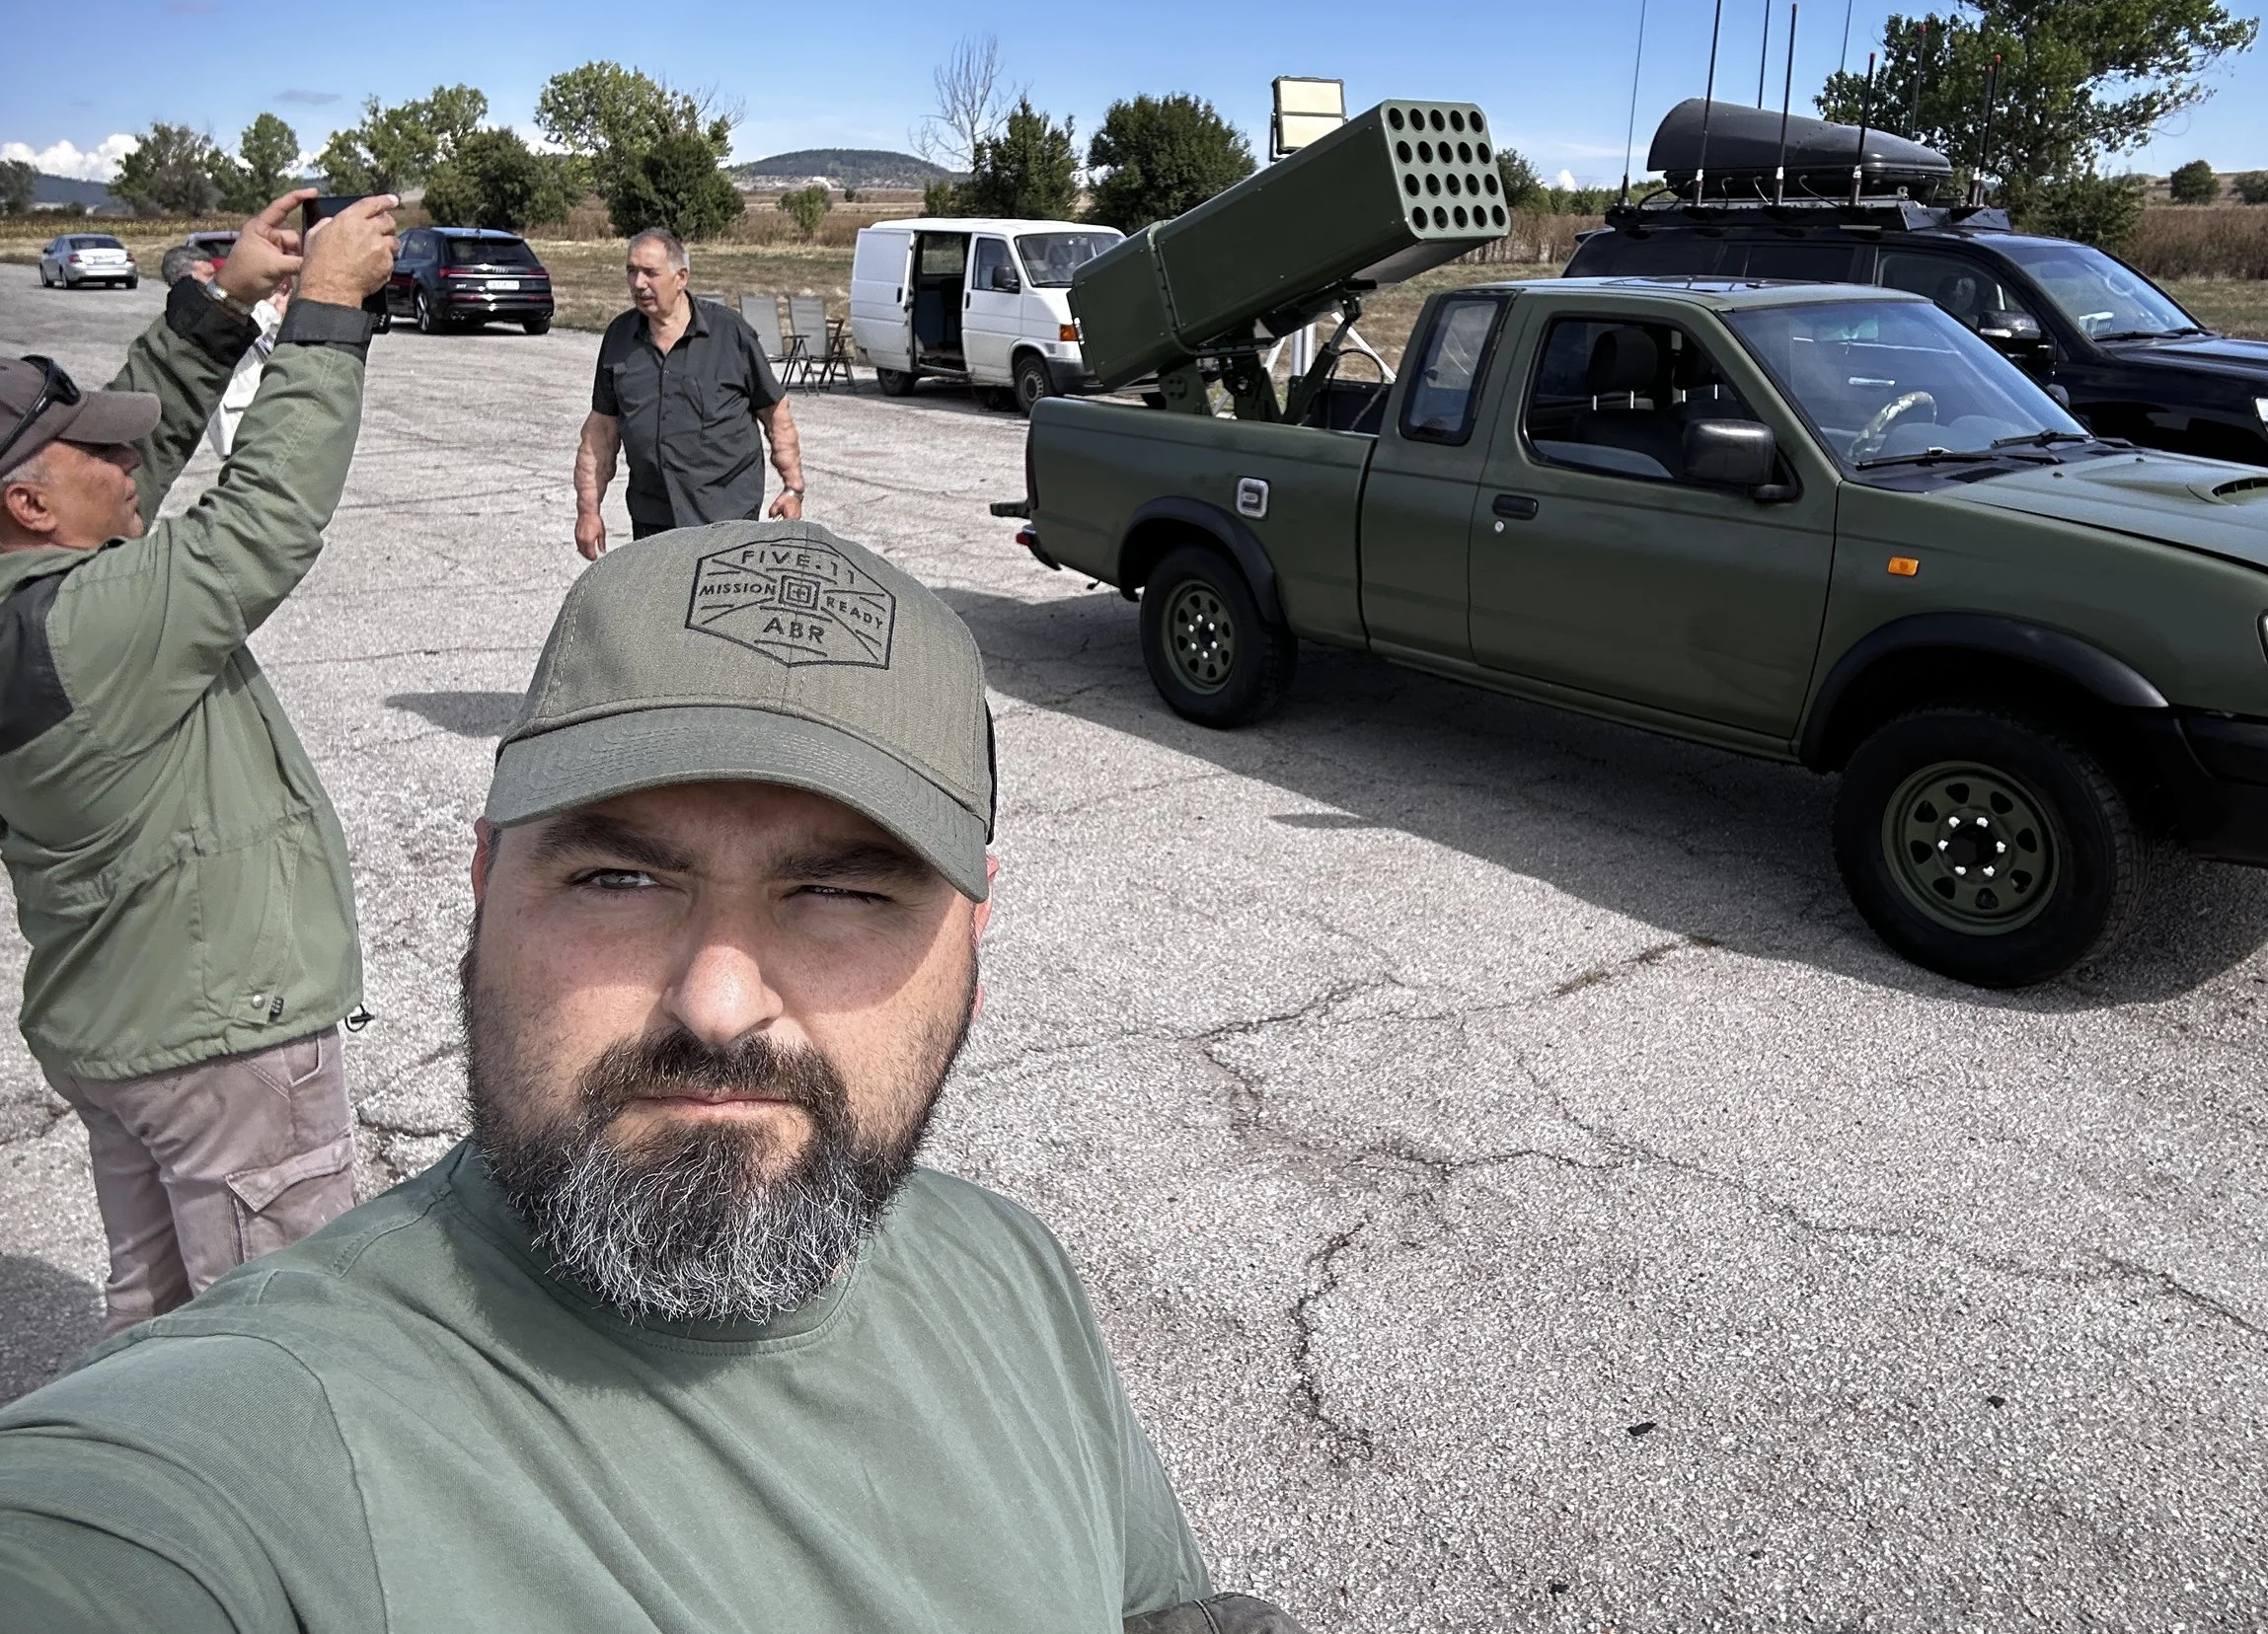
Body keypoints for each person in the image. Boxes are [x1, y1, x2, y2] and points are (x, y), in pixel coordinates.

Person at [0, 520, 1309, 1634]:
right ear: (485, 883)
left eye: (844, 889)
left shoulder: (1012, 1274)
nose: (718, 999)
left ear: (973, 938)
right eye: (618, 877)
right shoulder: (254, 1444)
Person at [0, 190, 400, 1332]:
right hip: (217, 1041)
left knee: (158, 1313)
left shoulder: (32, 596)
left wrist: (217, 307)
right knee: (277, 1336)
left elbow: (130, 482)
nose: (134, 462)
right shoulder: (90, 626)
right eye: (98, 453)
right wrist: (324, 309)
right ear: (30, 502)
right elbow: (264, 516)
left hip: (117, 1031)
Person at [574, 226, 806, 557]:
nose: (639, 283)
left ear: (681, 276)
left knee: (722, 608)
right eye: (631, 271)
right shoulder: (619, 338)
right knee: (659, 607)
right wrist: (588, 510)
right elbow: (601, 431)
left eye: (650, 273)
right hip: (652, 516)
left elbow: (775, 413)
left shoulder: (731, 335)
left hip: (726, 516)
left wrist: (792, 488)